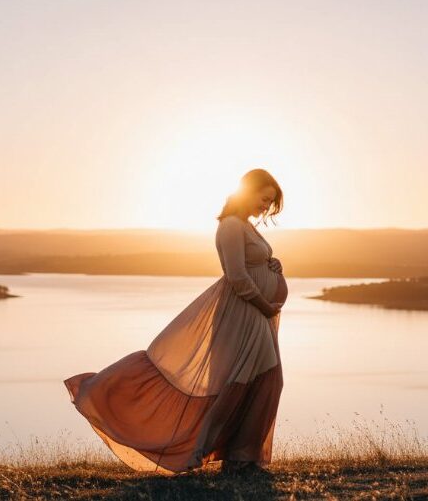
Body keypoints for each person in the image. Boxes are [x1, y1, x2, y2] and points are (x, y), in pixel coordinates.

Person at [63, 168, 288, 477]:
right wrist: (265, 305)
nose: (266, 208)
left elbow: (252, 263)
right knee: (246, 383)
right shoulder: (230, 226)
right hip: (244, 313)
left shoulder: (247, 226)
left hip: (254, 313)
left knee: (264, 381)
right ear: (248, 192)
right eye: (264, 200)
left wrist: (271, 264)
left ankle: (241, 458)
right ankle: (228, 458)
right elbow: (236, 277)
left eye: (271, 203)